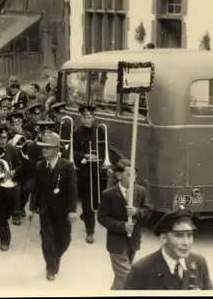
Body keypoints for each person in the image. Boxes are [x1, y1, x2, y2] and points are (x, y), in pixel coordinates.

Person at [122, 206, 213, 290]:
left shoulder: (199, 262)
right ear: (164, 238)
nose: (186, 243)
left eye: (189, 235)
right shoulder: (141, 269)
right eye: (179, 236)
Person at [28, 132, 78, 281]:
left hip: (62, 210)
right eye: (42, 147)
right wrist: (31, 208)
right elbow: (35, 189)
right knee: (47, 241)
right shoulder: (39, 165)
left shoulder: (67, 166)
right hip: (45, 210)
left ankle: (54, 260)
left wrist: (73, 210)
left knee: (64, 240)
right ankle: (51, 268)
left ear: (56, 149)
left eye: (47, 148)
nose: (43, 150)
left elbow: (72, 189)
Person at [97, 160, 152, 290]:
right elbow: (102, 217)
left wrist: (137, 212)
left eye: (134, 175)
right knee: (128, 277)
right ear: (119, 175)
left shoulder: (140, 190)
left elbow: (148, 211)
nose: (132, 178)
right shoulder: (108, 194)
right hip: (116, 243)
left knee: (120, 279)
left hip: (133, 241)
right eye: (128, 174)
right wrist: (121, 226)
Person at [72, 105, 107, 244]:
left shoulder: (100, 131)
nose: (88, 119)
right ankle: (90, 231)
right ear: (81, 118)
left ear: (94, 117)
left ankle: (86, 215)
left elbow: (104, 148)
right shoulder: (76, 132)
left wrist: (100, 158)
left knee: (95, 200)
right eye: (85, 117)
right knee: (88, 202)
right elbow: (72, 153)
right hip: (83, 172)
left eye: (90, 116)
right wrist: (85, 156)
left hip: (96, 170)